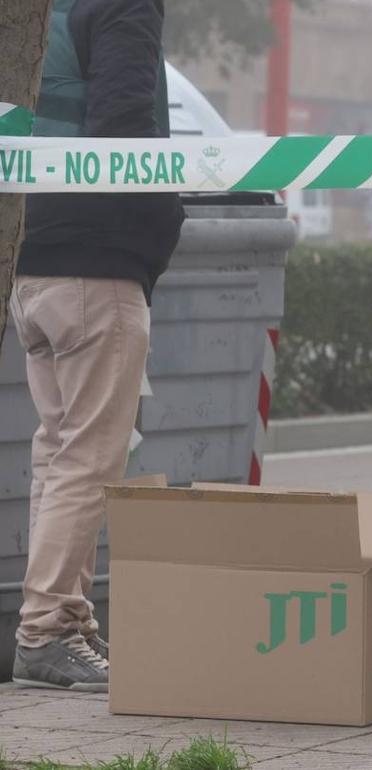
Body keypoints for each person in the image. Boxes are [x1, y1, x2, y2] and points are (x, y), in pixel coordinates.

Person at [10, 0, 184, 691]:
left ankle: (65, 622)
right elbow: (122, 128)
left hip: (32, 252)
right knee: (89, 456)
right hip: (96, 264)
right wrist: (159, 219)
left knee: (59, 450)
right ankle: (47, 630)